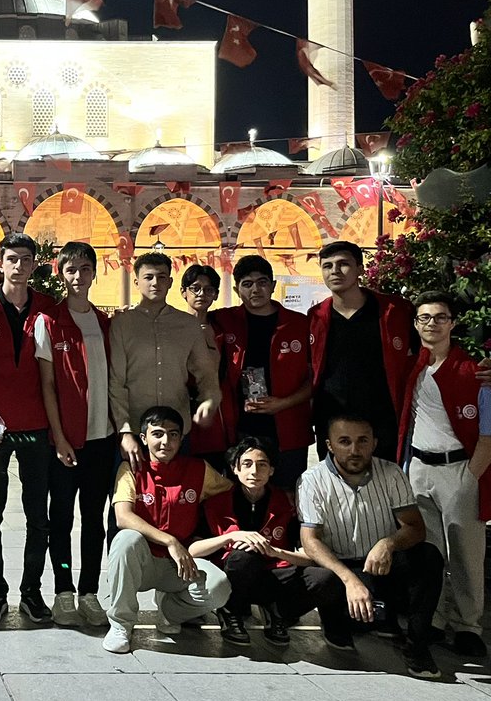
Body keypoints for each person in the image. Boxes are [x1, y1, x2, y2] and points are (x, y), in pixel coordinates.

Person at [298, 413, 444, 679]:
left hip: (380, 563)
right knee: (322, 581)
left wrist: (388, 543)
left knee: (428, 555)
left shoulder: (391, 473)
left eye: (362, 441)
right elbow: (310, 540)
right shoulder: (312, 480)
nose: (354, 450)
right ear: (329, 445)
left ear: (374, 443)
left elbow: (415, 527)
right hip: (341, 570)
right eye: (344, 441)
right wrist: (349, 579)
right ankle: (337, 621)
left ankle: (417, 645)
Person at [396, 291, 491, 657]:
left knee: (466, 553)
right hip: (418, 469)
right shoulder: (414, 367)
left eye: (439, 317)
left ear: (452, 323)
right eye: (424, 318)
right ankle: (432, 619)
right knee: (428, 550)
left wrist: (472, 475)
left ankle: (468, 625)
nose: (431, 324)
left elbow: (487, 433)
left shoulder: (474, 371)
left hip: (460, 469)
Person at [0, 233, 55, 624]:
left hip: (36, 426)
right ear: (0, 263)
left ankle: (32, 591)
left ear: (34, 265)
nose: (19, 266)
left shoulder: (49, 310)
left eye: (26, 259)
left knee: (39, 515)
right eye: (11, 259)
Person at [191, 436, 348, 646]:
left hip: (276, 573)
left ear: (272, 470)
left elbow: (309, 557)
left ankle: (278, 612)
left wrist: (275, 552)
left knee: (327, 579)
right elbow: (193, 549)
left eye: (262, 465)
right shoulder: (215, 503)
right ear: (234, 469)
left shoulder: (285, 502)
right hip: (235, 575)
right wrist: (230, 537)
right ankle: (231, 612)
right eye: (246, 464)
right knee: (244, 557)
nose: (254, 471)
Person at [102, 406, 233, 654]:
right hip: (143, 562)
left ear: (181, 439)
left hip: (180, 564)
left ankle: (169, 610)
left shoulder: (198, 470)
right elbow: (123, 516)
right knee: (125, 539)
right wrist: (170, 541)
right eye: (158, 434)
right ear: (144, 438)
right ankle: (120, 625)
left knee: (219, 587)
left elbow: (228, 494)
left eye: (173, 434)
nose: (165, 441)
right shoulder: (130, 469)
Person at [35, 242, 113, 627]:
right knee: (61, 518)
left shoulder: (105, 322)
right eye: (71, 270)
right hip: (66, 442)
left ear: (94, 272)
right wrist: (60, 437)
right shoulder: (48, 322)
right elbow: (47, 386)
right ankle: (63, 590)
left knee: (93, 520)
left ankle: (89, 591)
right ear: (60, 274)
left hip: (103, 439)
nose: (78, 276)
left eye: (85, 268)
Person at [109, 253, 221, 473]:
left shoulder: (188, 325)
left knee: (177, 500)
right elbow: (116, 382)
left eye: (162, 277)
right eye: (148, 277)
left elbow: (206, 374)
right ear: (136, 282)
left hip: (177, 432)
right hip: (135, 432)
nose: (155, 283)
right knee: (128, 500)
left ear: (170, 282)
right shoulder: (122, 324)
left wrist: (209, 401)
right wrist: (125, 432)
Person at [211, 256, 312, 489]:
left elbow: (315, 377)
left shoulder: (299, 324)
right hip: (240, 428)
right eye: (247, 284)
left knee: (289, 495)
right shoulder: (225, 319)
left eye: (262, 282)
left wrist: (283, 403)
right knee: (242, 494)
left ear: (273, 286)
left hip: (288, 428)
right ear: (237, 289)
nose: (255, 289)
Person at [308, 241, 415, 461]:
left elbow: (425, 355)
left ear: (360, 269)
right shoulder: (315, 317)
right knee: (336, 487)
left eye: (343, 264)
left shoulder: (394, 311)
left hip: (381, 419)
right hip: (331, 419)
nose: (334, 271)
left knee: (383, 487)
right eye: (327, 266)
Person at [180, 264, 227, 469]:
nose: (202, 294)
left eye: (209, 290)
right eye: (195, 288)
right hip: (182, 411)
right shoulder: (172, 328)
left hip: (216, 415)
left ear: (216, 294)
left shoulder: (220, 329)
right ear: (183, 292)